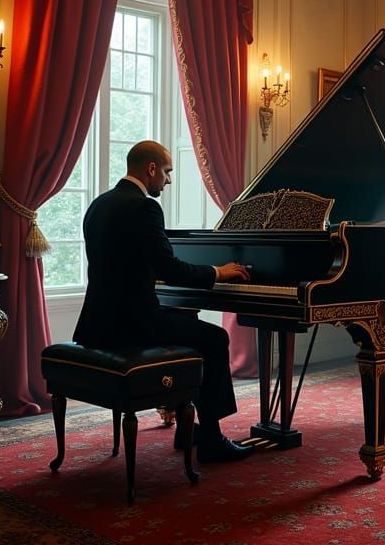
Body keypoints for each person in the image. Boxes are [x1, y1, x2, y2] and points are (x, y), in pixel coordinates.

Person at [73, 139, 253, 463]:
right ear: (151, 168)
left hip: (97, 325)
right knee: (215, 337)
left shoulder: (99, 204)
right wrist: (218, 272)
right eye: (167, 172)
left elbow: (126, 263)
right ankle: (211, 438)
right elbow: (169, 267)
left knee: (190, 325)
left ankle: (188, 429)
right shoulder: (144, 207)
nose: (168, 180)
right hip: (132, 327)